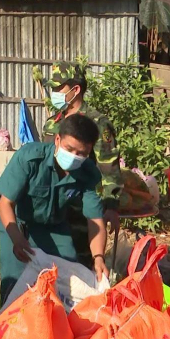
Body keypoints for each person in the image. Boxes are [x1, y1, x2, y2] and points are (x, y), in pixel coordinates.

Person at [0, 114, 109, 304]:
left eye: (81, 153)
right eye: (69, 149)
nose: (74, 156)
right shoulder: (30, 158)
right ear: (57, 140)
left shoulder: (88, 173)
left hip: (56, 228)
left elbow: (95, 220)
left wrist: (98, 257)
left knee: (69, 281)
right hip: (19, 226)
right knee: (16, 287)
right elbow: (5, 203)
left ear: (89, 151)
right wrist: (17, 239)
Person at [42, 62, 122, 269]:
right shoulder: (52, 123)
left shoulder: (97, 123)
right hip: (52, 207)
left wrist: (111, 205)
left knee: (81, 264)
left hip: (81, 208)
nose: (54, 93)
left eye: (58, 88)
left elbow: (109, 165)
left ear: (75, 89)